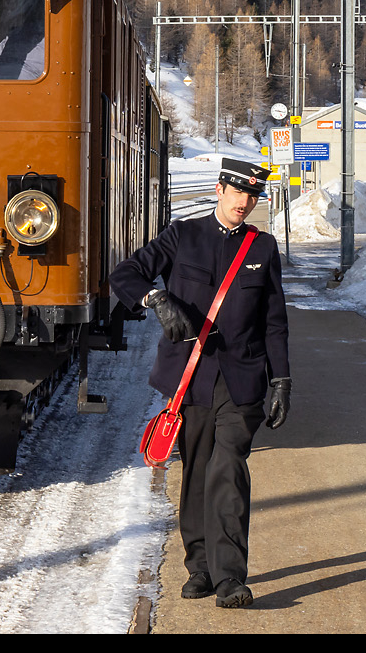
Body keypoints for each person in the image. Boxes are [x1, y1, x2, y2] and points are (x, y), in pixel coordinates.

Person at [110, 157, 292, 609]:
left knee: (228, 468)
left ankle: (230, 576)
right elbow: (125, 274)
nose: (245, 201)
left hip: (242, 378)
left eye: (253, 195)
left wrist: (282, 379)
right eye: (238, 192)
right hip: (190, 378)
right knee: (195, 471)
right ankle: (200, 567)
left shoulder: (263, 247)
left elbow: (274, 320)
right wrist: (156, 298)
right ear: (220, 190)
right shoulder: (183, 235)